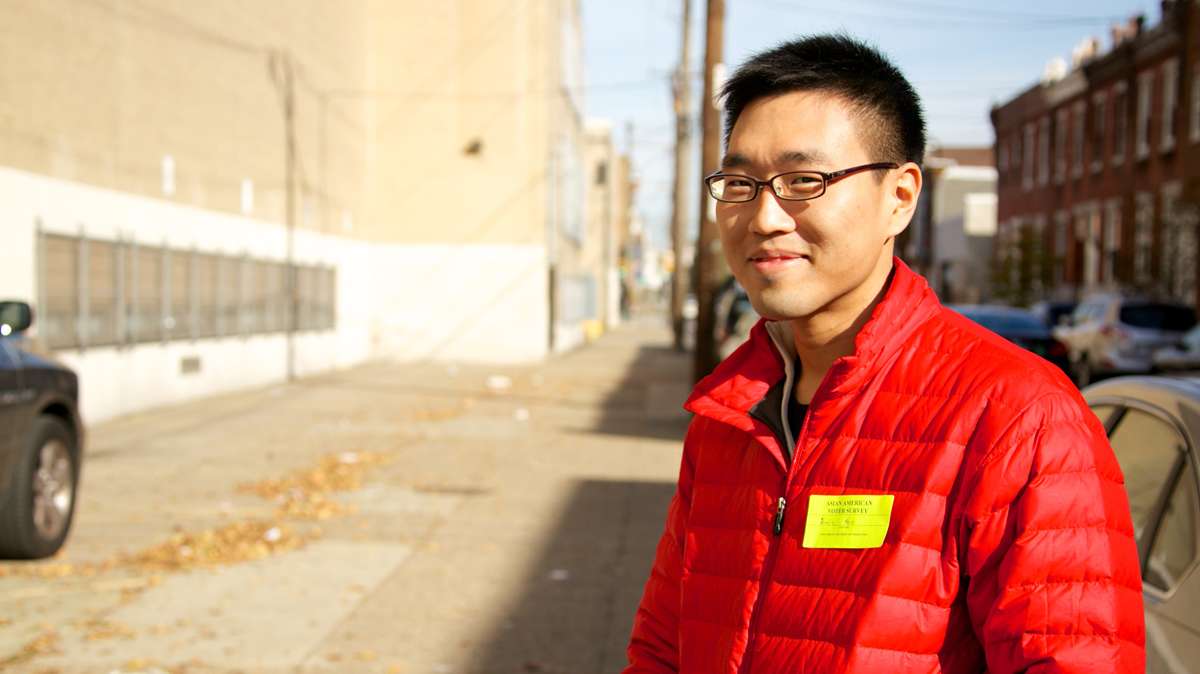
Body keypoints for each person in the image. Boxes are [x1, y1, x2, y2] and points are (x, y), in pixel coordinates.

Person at [624, 34, 1144, 674]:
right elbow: (662, 647)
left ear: (900, 197)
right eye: (740, 181)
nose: (763, 216)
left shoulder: (1017, 417)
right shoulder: (729, 413)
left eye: (803, 179)